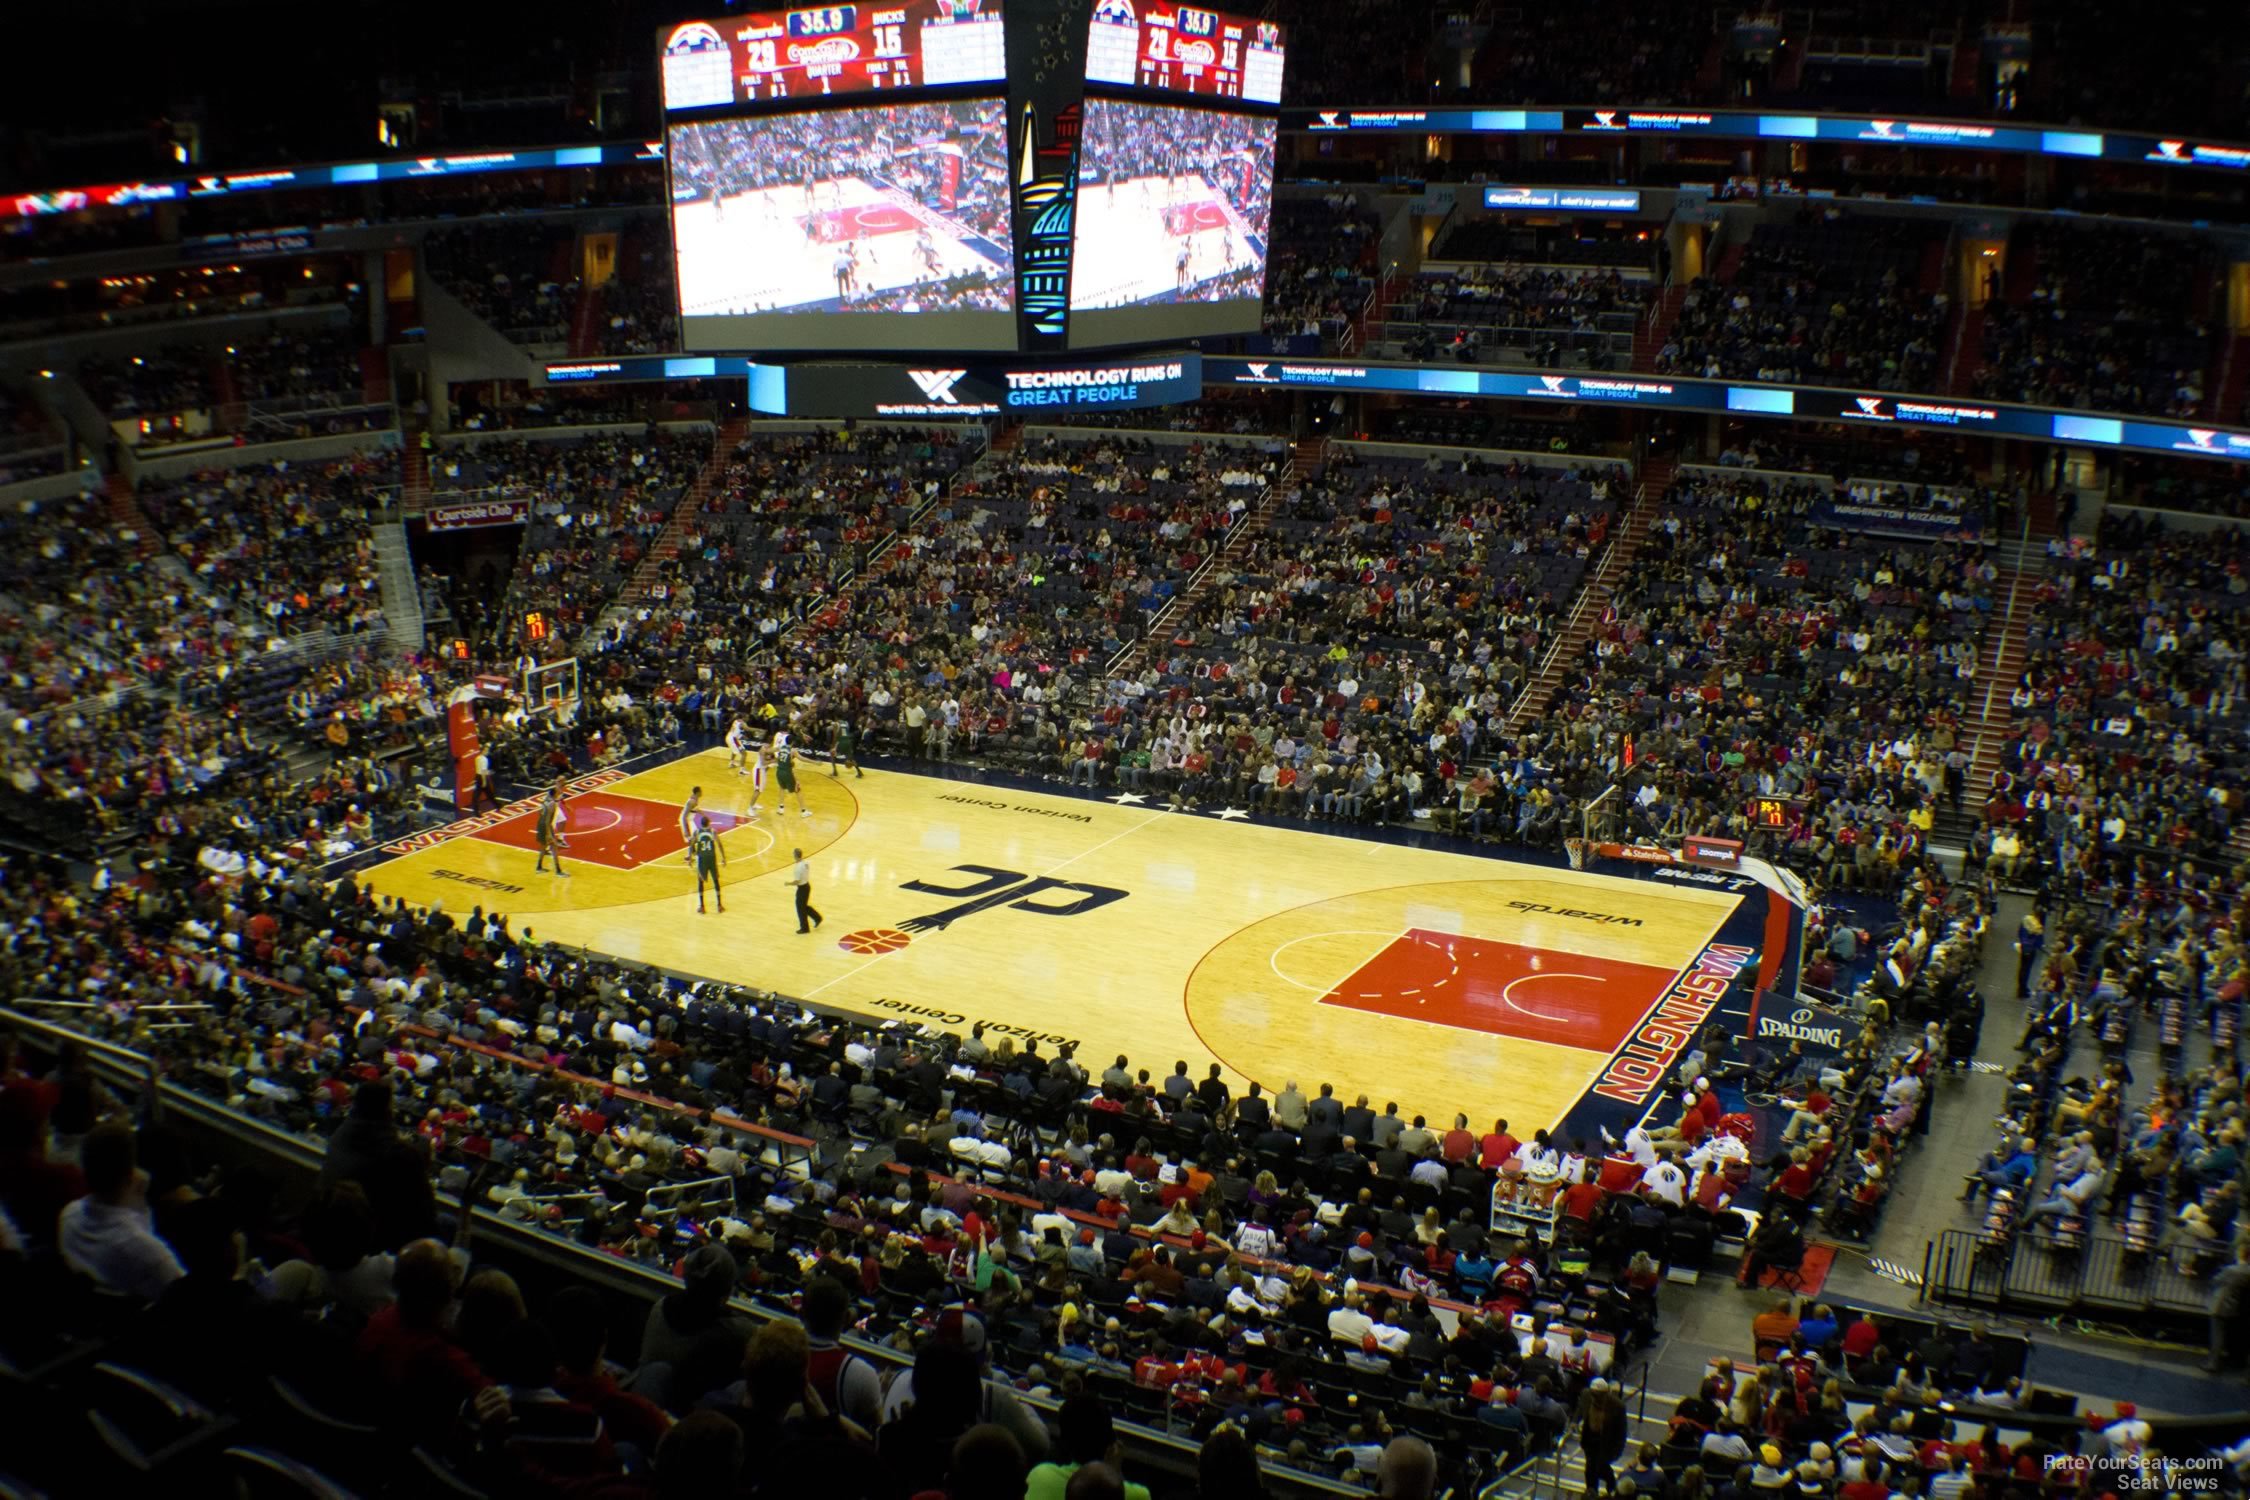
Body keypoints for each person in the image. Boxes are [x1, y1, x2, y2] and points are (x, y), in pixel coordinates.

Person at [57, 1121, 184, 1303]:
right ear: (131, 1175)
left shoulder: (68, 1215)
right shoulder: (150, 1254)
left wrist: (139, 1206)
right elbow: (188, 1300)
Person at [1027, 1395, 1150, 1500]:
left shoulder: (1040, 1475)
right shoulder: (1138, 1495)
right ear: (1110, 1443)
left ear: (1063, 1440)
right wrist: (1114, 1473)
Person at [1577, 1377, 1628, 1496]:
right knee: (1590, 1470)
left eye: (1598, 1395)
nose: (1595, 1398)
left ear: (1605, 1394)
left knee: (1602, 1468)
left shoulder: (1617, 1406)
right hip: (1589, 1440)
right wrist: (1575, 1421)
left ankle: (1612, 1488)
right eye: (1593, 1395)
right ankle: (1592, 1494)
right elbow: (1580, 1408)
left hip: (1606, 1444)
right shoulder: (1586, 1395)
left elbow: (1622, 1432)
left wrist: (1617, 1451)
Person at [2208, 1247, 2250, 1372]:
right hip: (2234, 1305)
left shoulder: (2231, 1270)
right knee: (2228, 1335)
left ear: (2240, 1255)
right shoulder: (2247, 1272)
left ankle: (2213, 1363)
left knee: (2217, 1336)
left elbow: (2215, 1280)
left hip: (2219, 1304)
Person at [692, 814, 728, 915]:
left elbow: (691, 844)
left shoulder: (697, 832)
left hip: (702, 859)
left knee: (700, 881)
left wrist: (691, 857)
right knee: (716, 880)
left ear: (701, 824)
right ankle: (719, 905)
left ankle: (702, 907)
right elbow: (719, 844)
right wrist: (723, 858)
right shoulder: (713, 831)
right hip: (712, 858)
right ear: (708, 823)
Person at [534, 780, 571, 876]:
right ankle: (558, 871)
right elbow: (547, 820)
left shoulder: (545, 801)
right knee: (554, 847)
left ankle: (539, 867)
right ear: (555, 795)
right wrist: (549, 834)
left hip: (540, 825)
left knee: (543, 847)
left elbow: (539, 812)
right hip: (546, 826)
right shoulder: (552, 804)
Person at [788, 847, 824, 934]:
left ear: (795, 856)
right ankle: (817, 918)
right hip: (807, 886)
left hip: (802, 889)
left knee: (800, 908)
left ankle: (805, 928)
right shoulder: (805, 862)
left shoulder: (797, 868)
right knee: (803, 906)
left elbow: (797, 881)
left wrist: (788, 884)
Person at [775, 730, 810, 816]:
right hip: (787, 772)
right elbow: (801, 759)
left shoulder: (781, 748)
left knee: (782, 788)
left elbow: (777, 758)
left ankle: (780, 808)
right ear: (793, 742)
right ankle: (803, 811)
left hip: (779, 771)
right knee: (798, 789)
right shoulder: (792, 750)